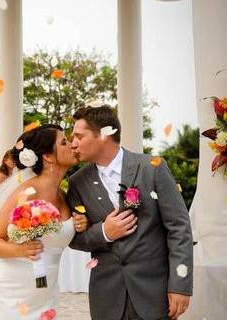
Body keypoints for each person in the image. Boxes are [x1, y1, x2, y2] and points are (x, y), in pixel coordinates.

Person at [68, 105, 194, 320]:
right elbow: (76, 239)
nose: (73, 143)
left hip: (154, 292)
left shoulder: (152, 167)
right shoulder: (77, 182)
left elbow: (179, 227)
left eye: (79, 136)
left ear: (105, 134)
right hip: (106, 296)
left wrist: (180, 285)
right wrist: (104, 232)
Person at [0, 124, 111, 319]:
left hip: (44, 297)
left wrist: (82, 224)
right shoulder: (26, 193)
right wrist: (20, 250)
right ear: (48, 156)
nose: (72, 145)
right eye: (64, 142)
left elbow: (62, 236)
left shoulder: (65, 196)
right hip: (10, 294)